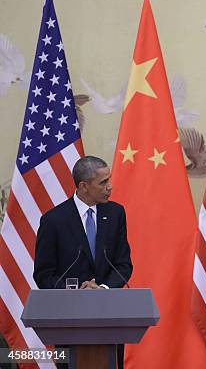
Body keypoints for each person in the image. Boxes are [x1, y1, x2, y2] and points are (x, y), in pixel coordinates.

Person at [33, 155, 132, 369]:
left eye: (109, 180)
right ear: (84, 186)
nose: (110, 187)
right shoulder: (53, 221)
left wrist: (103, 288)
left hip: (109, 318)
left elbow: (123, 264)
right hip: (69, 320)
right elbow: (43, 274)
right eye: (103, 182)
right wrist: (76, 291)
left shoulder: (115, 213)